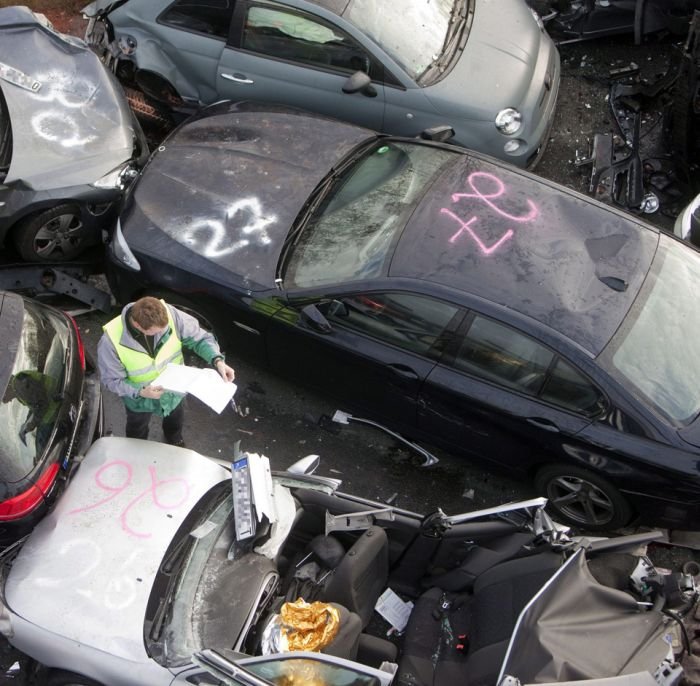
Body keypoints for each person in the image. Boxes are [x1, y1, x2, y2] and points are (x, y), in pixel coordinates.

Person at [97, 296, 235, 447]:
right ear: (137, 325)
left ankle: (174, 438)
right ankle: (136, 448)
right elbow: (112, 380)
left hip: (174, 392)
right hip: (139, 399)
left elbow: (200, 338)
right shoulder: (110, 342)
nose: (163, 333)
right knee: (137, 427)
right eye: (156, 332)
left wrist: (217, 360)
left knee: (176, 419)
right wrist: (141, 392)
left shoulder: (170, 315)